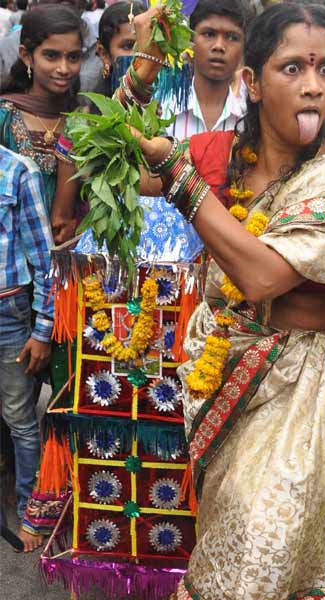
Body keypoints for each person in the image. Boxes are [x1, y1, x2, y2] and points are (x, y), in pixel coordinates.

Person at [124, 3, 325, 597]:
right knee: (229, 545)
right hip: (228, 374)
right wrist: (142, 67)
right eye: (293, 67)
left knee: (264, 549)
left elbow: (264, 277)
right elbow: (98, 163)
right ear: (252, 81)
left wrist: (179, 176)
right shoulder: (220, 157)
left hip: (316, 393)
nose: (315, 86)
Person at [0, 143, 54, 553]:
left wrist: (43, 329)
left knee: (19, 417)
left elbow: (44, 258)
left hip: (8, 310)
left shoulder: (19, 172)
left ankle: (30, 510)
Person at [49, 0, 139, 244]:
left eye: (147, 47)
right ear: (102, 52)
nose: (139, 57)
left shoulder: (173, 117)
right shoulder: (81, 124)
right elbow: (62, 219)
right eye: (128, 46)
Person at [0, 3, 82, 212]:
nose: (63, 68)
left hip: (70, 241)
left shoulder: (84, 119)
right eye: (51, 56)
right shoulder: (5, 116)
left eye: (73, 57)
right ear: (27, 56)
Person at [162, 0, 247, 139]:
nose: (219, 46)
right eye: (209, 34)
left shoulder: (249, 121)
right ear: (190, 40)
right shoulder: (162, 111)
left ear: (244, 48)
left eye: (232, 37)